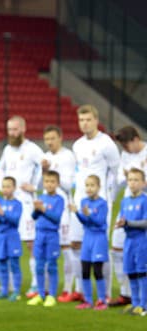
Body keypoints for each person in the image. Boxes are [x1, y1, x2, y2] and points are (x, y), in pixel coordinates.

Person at [70, 105, 120, 301]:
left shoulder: (106, 143)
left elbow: (116, 173)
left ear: (96, 120)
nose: (85, 123)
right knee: (76, 245)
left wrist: (110, 198)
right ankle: (81, 290)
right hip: (80, 201)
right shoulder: (77, 145)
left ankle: (105, 293)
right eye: (81, 120)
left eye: (88, 119)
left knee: (101, 248)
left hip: (100, 203)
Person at [0, 116, 43, 297]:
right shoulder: (7, 150)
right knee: (6, 242)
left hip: (26, 203)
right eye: (9, 130)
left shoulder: (32, 149)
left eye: (15, 129)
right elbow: (0, 169)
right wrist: (3, 185)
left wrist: (36, 186)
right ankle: (7, 286)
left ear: (23, 129)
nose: (12, 133)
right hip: (9, 204)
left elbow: (45, 167)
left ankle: (36, 284)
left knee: (31, 243)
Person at [41, 125, 82, 302]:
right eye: (47, 139)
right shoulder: (46, 157)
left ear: (60, 138)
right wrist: (44, 172)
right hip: (47, 206)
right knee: (47, 250)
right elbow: (41, 183)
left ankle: (69, 288)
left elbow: (68, 184)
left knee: (67, 249)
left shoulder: (68, 156)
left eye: (52, 138)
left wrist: (52, 173)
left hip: (64, 207)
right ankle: (48, 289)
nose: (50, 142)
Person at [110, 126, 147, 306]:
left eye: (126, 145)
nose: (124, 148)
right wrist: (125, 178)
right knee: (117, 248)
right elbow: (118, 180)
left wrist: (139, 181)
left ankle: (142, 298)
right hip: (127, 205)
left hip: (143, 205)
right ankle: (126, 294)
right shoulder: (125, 155)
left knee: (142, 256)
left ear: (135, 139)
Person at [70, 175, 109, 310]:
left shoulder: (102, 203)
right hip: (87, 238)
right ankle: (87, 300)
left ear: (99, 187)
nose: (89, 188)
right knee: (85, 269)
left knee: (97, 270)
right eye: (87, 185)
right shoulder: (84, 202)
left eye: (92, 185)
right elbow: (85, 222)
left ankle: (102, 300)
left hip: (98, 238)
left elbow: (99, 222)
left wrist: (89, 215)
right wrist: (77, 213)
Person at [27, 170, 64, 307]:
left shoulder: (59, 200)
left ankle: (52, 295)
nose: (49, 184)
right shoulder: (42, 198)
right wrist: (36, 209)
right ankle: (41, 294)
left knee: (52, 265)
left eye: (52, 182)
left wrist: (43, 210)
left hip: (52, 235)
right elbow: (34, 217)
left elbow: (56, 218)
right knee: (39, 265)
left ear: (57, 184)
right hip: (40, 234)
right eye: (47, 182)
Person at [114, 168, 147, 315]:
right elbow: (123, 219)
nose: (132, 183)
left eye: (136, 180)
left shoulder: (145, 200)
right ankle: (134, 303)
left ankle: (144, 304)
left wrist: (128, 223)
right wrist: (122, 223)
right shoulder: (124, 201)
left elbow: (145, 222)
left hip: (141, 241)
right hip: (128, 241)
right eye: (130, 180)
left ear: (143, 183)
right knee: (131, 272)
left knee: (142, 272)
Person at [0, 176, 23, 301]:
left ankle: (16, 291)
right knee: (2, 264)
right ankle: (4, 290)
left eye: (8, 186)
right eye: (3, 186)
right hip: (1, 237)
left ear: (14, 188)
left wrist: (3, 213)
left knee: (14, 264)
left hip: (12, 236)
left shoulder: (17, 204)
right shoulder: (0, 203)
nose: (5, 189)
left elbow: (15, 221)